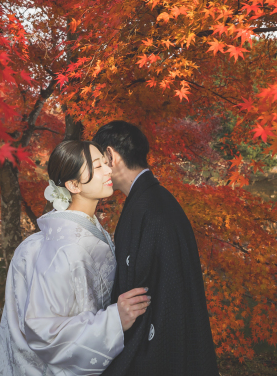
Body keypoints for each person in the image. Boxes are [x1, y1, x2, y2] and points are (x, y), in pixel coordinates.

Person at [0, 140, 151, 375]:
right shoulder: (64, 248)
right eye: (98, 167)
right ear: (74, 184)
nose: (109, 170)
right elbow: (45, 331)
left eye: (106, 163)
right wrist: (114, 320)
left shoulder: (83, 230)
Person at [93, 121, 219, 376]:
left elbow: (144, 298)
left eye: (98, 162)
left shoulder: (148, 209)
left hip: (158, 350)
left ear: (111, 155)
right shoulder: (155, 200)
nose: (98, 170)